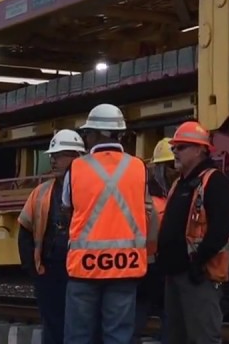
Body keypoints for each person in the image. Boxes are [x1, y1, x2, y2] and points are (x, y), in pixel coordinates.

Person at [62, 103, 157, 344]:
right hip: (125, 267)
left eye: (87, 133)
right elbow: (147, 210)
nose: (86, 138)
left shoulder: (76, 168)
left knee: (79, 337)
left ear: (95, 134)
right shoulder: (139, 167)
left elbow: (66, 209)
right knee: (118, 337)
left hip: (84, 268)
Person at [156, 121, 229, 344]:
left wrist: (198, 262)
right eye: (174, 148)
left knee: (203, 337)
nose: (175, 152)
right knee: (175, 337)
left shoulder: (215, 181)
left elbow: (221, 230)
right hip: (175, 273)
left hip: (199, 275)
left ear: (200, 149)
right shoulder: (180, 184)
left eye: (181, 147)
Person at [18, 129, 86, 344]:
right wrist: (33, 269)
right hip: (50, 270)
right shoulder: (41, 192)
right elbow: (25, 231)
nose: (53, 161)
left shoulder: (88, 189)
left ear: (76, 157)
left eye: (58, 156)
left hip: (80, 271)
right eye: (52, 156)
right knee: (53, 325)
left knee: (80, 327)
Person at [133, 137, 179, 344]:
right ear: (159, 168)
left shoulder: (173, 196)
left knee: (171, 321)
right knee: (133, 322)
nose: (175, 170)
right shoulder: (146, 198)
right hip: (144, 271)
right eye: (171, 166)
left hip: (164, 271)